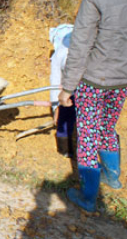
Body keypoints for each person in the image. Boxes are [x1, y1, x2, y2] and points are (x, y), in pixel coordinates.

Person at [57, 0, 127, 213]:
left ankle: (87, 197)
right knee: (108, 129)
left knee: (87, 135)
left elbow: (80, 46)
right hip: (122, 81)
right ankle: (114, 180)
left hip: (93, 81)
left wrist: (67, 88)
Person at [49, 24, 76, 158]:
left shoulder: (59, 54)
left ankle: (64, 150)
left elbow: (54, 83)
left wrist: (56, 109)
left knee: (64, 118)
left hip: (72, 88)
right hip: (84, 86)